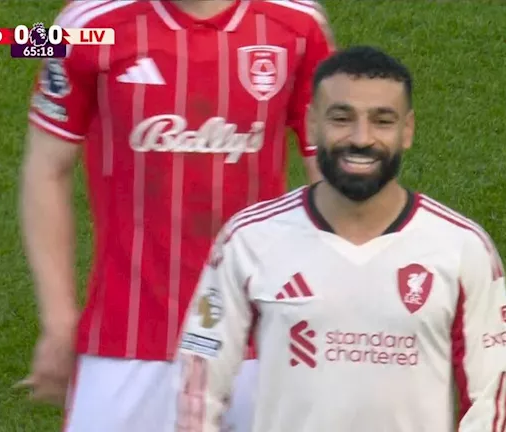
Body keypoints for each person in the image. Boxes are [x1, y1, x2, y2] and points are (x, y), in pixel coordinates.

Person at [17, 0, 334, 431]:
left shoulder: (298, 24)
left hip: (261, 341)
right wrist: (58, 319)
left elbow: (330, 177)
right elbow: (45, 169)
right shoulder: (84, 25)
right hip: (123, 339)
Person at [175, 45, 506, 432]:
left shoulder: (461, 247)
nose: (361, 138)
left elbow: (489, 398)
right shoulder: (250, 240)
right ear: (312, 125)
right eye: (342, 118)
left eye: (382, 121)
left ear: (407, 130)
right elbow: (199, 383)